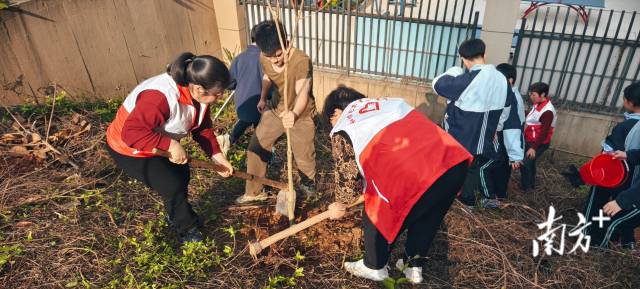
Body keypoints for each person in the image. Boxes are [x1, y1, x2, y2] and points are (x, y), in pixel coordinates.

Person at [324, 86, 472, 283]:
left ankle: (374, 266)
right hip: (453, 162)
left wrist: (341, 203)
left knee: (375, 203)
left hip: (415, 174)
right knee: (428, 215)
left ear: (336, 112)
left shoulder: (344, 124)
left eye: (330, 120)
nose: (331, 125)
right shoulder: (389, 103)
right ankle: (413, 267)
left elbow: (348, 186)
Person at [106, 52, 234, 244]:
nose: (221, 96)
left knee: (182, 173)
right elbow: (131, 133)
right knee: (170, 184)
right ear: (199, 89)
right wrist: (171, 144)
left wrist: (217, 156)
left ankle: (176, 212)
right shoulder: (160, 97)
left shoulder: (196, 93)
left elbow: (202, 128)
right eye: (218, 93)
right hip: (129, 148)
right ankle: (186, 226)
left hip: (156, 141)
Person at [235, 20, 316, 204]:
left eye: (279, 55)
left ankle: (308, 188)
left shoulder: (301, 60)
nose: (275, 60)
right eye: (270, 56)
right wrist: (263, 97)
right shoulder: (264, 56)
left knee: (304, 157)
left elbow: (302, 92)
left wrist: (294, 115)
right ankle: (254, 191)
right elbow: (267, 76)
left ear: (286, 41)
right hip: (276, 108)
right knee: (256, 146)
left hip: (301, 115)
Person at [432, 38, 511, 209]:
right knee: (473, 168)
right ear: (484, 54)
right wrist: (497, 127)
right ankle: (469, 201)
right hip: (484, 137)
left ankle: (454, 198)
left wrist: (453, 71)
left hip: (462, 136)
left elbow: (438, 85)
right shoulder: (502, 79)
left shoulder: (470, 79)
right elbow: (507, 106)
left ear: (463, 59)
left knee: (452, 169)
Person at [584, 82, 640, 249]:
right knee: (617, 210)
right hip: (631, 181)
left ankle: (591, 240)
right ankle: (624, 241)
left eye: (624, 98)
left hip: (613, 176)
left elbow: (607, 154)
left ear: (630, 102)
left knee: (600, 206)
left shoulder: (625, 127)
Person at [489, 63, 525, 202]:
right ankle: (498, 196)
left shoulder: (512, 98)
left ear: (510, 80)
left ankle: (498, 198)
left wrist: (515, 154)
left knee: (500, 170)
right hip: (506, 139)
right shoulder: (510, 94)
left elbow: (512, 127)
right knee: (500, 169)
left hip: (507, 139)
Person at [226, 24, 266, 145]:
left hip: (242, 104)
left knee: (244, 121)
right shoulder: (265, 60)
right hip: (261, 105)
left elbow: (230, 83)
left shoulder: (239, 58)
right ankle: (257, 149)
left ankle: (230, 139)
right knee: (262, 130)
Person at [521, 82, 556, 191]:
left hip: (539, 143)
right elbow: (532, 116)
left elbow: (544, 132)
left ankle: (526, 189)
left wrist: (534, 148)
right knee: (530, 163)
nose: (531, 97)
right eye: (530, 94)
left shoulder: (548, 111)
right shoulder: (538, 104)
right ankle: (531, 185)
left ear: (543, 95)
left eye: (533, 95)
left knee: (525, 163)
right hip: (530, 138)